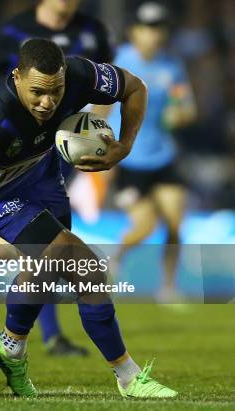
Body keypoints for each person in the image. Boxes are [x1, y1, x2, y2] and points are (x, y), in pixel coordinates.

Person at [0, 38, 177, 398]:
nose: (47, 102)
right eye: (37, 92)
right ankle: (129, 378)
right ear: (17, 76)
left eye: (56, 92)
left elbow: (135, 88)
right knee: (83, 265)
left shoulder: (82, 73)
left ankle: (10, 348)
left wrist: (124, 147)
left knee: (58, 269)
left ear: (66, 75)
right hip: (2, 197)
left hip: (46, 181)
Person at [0, 0, 115, 355]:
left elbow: (106, 88)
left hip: (60, 153)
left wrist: (89, 131)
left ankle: (27, 337)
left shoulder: (93, 32)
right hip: (12, 158)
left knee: (49, 250)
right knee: (49, 248)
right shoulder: (9, 31)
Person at [106, 2, 196, 303]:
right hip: (129, 160)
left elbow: (186, 107)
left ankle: (168, 287)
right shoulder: (118, 62)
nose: (153, 34)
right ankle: (113, 260)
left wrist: (180, 116)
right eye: (148, 28)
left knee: (174, 224)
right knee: (144, 228)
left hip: (163, 157)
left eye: (158, 28)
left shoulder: (172, 67)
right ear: (133, 31)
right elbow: (99, 108)